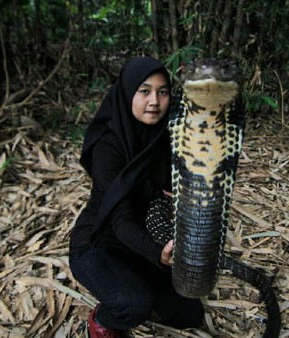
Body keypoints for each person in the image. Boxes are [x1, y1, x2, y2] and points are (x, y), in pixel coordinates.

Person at [69, 56, 204, 338]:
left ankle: (132, 288)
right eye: (144, 91)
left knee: (189, 314)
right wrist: (158, 254)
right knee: (133, 306)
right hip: (100, 244)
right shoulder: (109, 146)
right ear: (128, 92)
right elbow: (119, 219)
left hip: (143, 241)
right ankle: (103, 318)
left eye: (163, 91)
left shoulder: (168, 135)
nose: (154, 101)